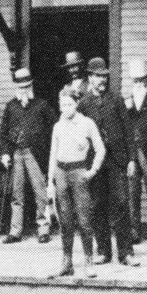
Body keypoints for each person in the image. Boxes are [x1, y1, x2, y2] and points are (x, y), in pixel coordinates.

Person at [78, 56, 136, 266]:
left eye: (105, 76)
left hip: (117, 160)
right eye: (98, 76)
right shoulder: (83, 104)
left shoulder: (116, 99)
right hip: (95, 163)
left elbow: (128, 131)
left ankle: (126, 253)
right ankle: (103, 251)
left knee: (121, 203)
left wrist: (131, 159)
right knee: (97, 205)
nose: (103, 80)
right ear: (90, 78)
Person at [46, 86, 103, 277]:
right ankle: (67, 262)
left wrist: (93, 170)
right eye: (63, 105)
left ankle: (88, 261)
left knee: (84, 219)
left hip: (79, 172)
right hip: (61, 173)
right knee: (65, 220)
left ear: (76, 104)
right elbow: (53, 154)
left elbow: (100, 149)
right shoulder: (58, 126)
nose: (66, 108)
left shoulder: (87, 123)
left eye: (70, 104)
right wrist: (50, 181)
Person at [0, 67, 54, 244]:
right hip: (16, 154)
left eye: (27, 86)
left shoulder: (42, 105)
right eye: (21, 87)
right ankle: (15, 231)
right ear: (16, 87)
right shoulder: (10, 107)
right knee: (17, 194)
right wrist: (5, 153)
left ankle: (43, 229)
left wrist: (47, 150)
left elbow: (54, 129)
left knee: (40, 192)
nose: (24, 90)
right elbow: (3, 133)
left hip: (35, 154)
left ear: (31, 86)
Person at [122, 59, 147, 247]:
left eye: (142, 80)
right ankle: (134, 232)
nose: (138, 83)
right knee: (132, 193)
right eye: (135, 80)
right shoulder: (125, 104)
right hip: (131, 154)